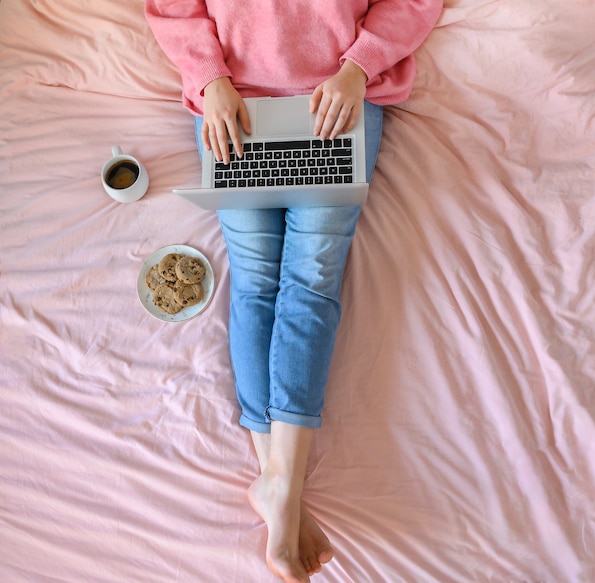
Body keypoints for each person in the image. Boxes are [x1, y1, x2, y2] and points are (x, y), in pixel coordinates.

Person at [144, 2, 443, 581]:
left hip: (337, 101)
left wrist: (359, 67)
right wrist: (211, 80)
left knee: (310, 285)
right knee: (258, 282)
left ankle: (278, 486)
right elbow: (172, 9)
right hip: (233, 104)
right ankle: (280, 488)